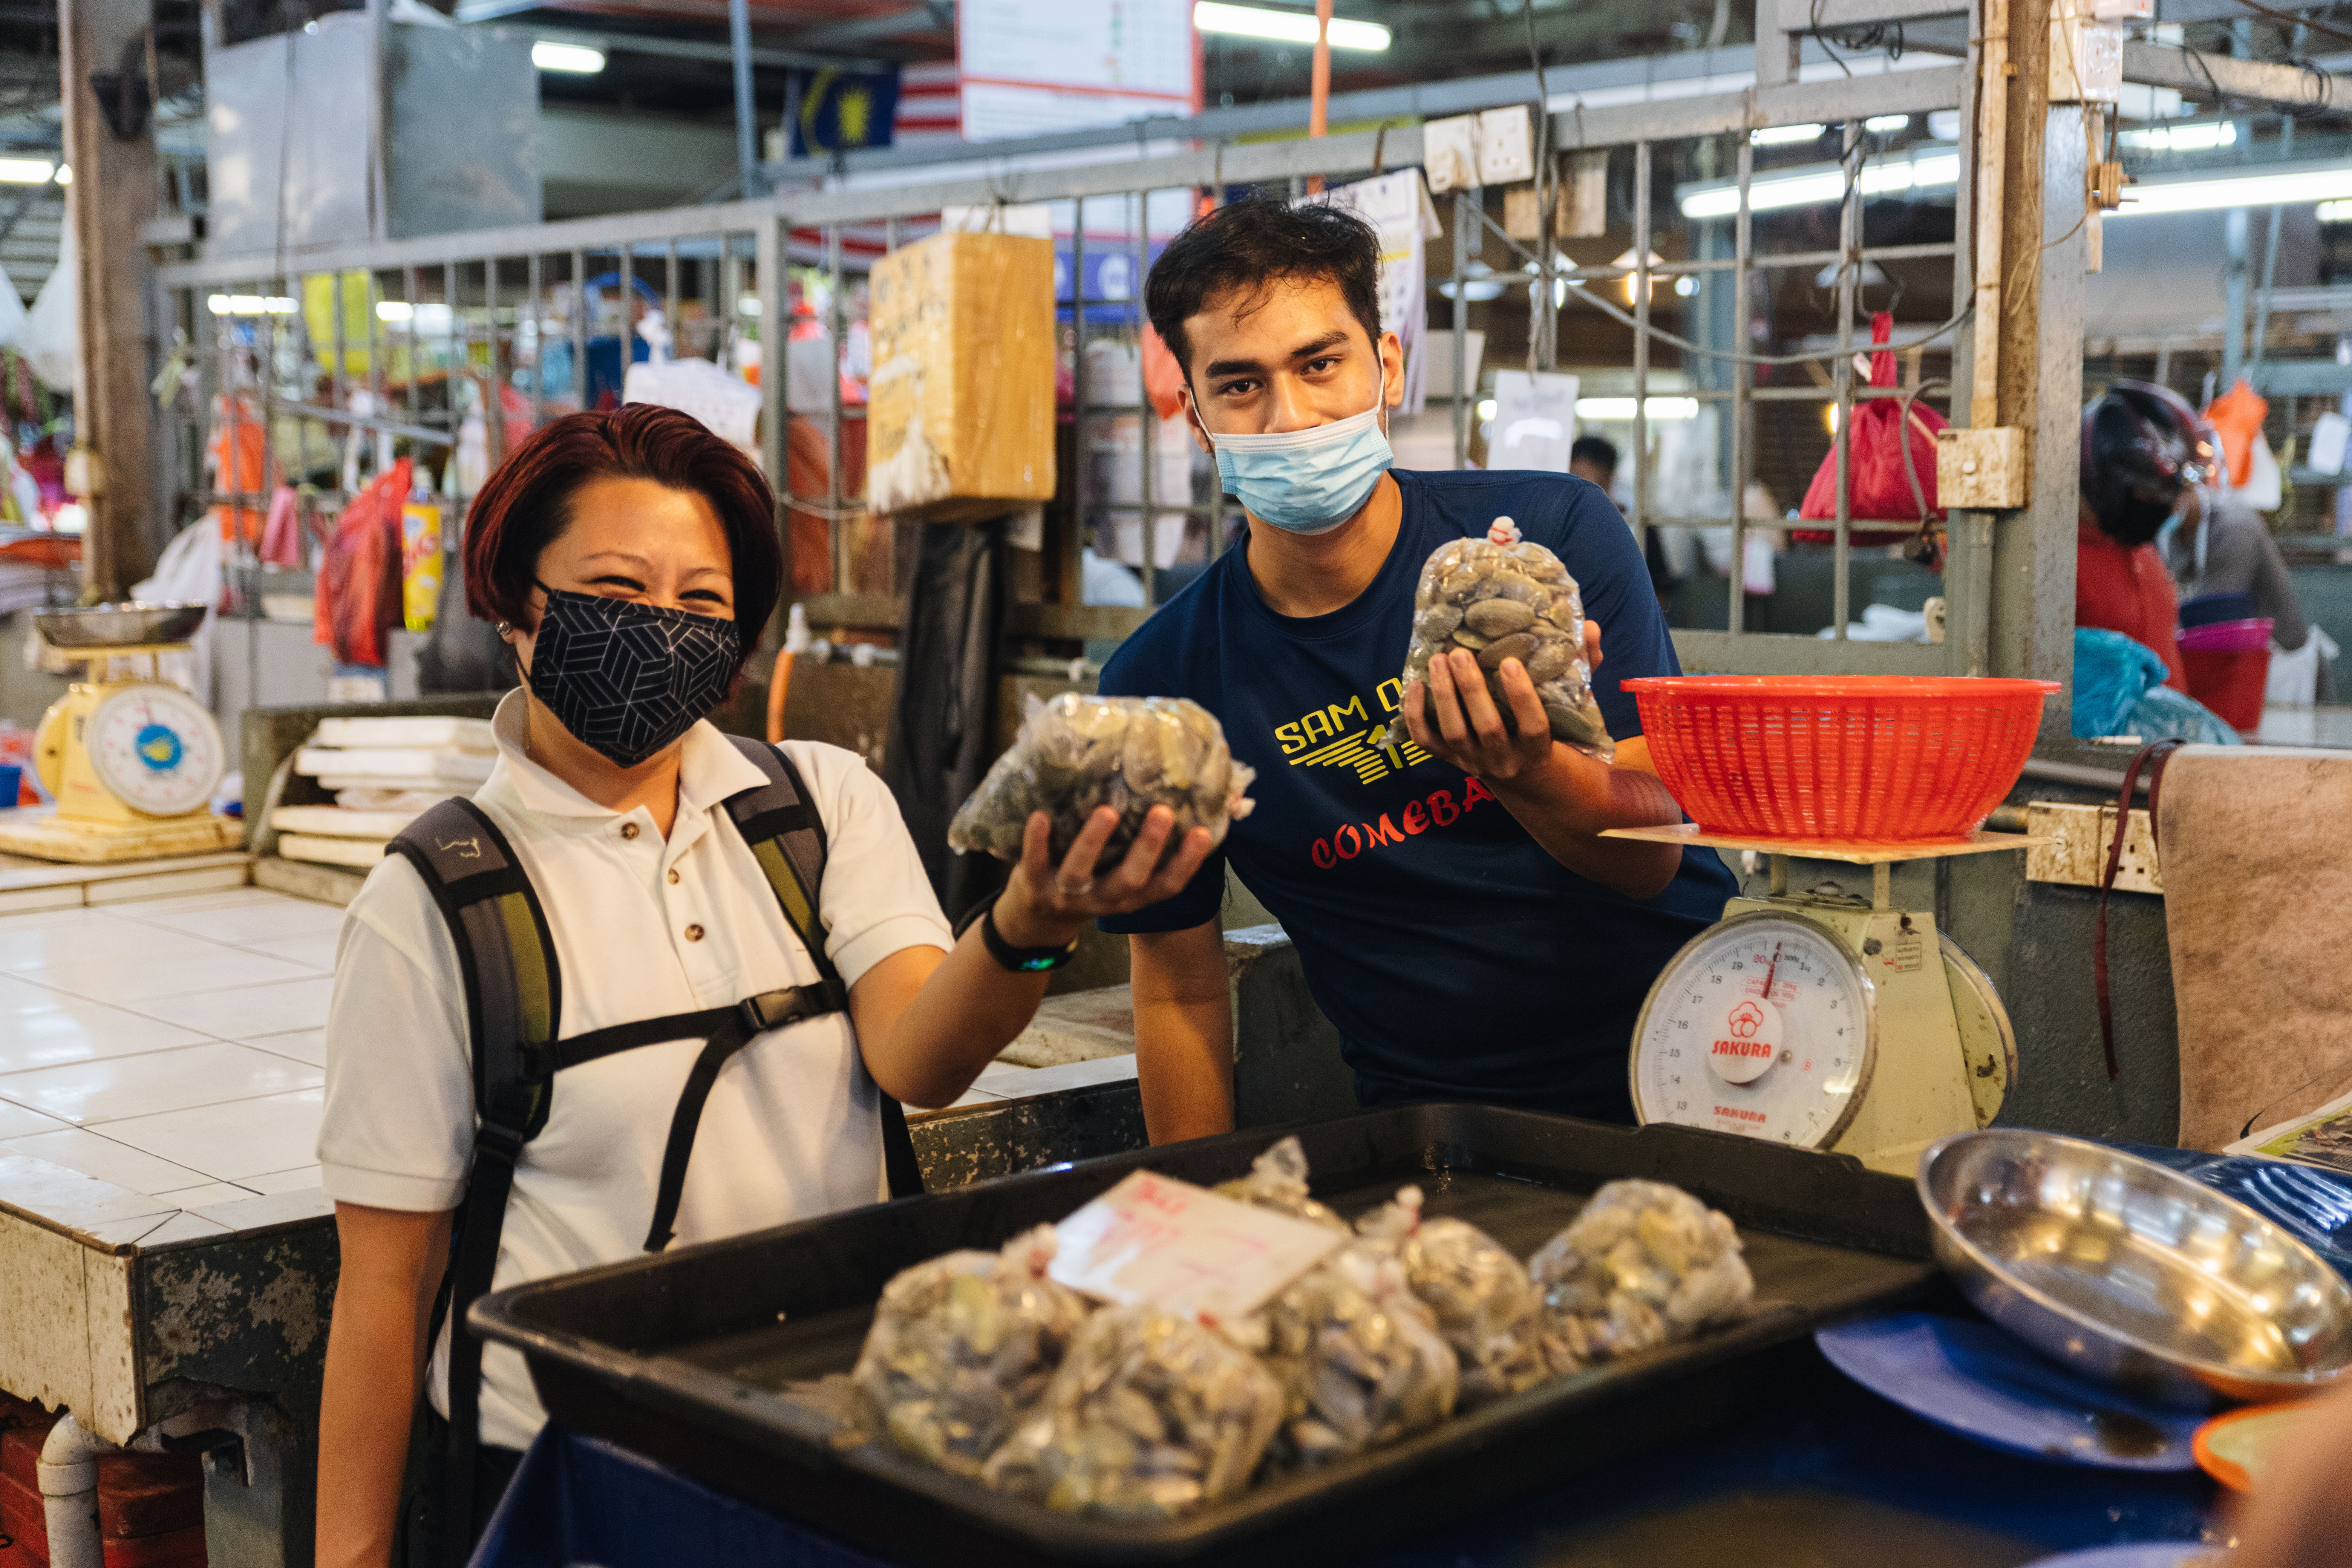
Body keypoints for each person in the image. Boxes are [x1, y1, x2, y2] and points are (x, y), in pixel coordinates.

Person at [312, 404, 1212, 1568]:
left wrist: (1029, 926)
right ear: (516, 607)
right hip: (574, 1483)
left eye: (700, 602)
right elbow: (386, 1288)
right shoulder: (436, 901)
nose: (662, 628)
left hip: (835, 1443)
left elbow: (921, 1060)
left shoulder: (818, 806)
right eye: (618, 588)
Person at [1099, 195, 1736, 1142]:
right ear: (1195, 416)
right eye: (1239, 386)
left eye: (1321, 364)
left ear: (1385, 365)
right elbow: (1179, 991)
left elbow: (1662, 847)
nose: (1292, 417)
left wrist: (1527, 770)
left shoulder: (1543, 545)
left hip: (1705, 1062)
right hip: (1436, 1127)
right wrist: (1203, 1203)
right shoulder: (1162, 683)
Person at [2077, 381, 2212, 689]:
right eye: (2148, 493)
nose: (2161, 507)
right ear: (2102, 481)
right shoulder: (2057, 564)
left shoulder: (2144, 552)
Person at [2162, 477, 2335, 702]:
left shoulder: (2238, 527)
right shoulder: (2174, 534)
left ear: (2192, 491)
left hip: (2285, 668)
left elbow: (2213, 622)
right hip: (2238, 671)